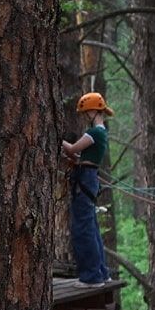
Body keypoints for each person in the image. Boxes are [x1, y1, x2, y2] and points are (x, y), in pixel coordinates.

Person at [59, 92, 112, 286]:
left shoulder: (94, 133)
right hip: (88, 177)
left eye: (84, 113)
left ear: (92, 111)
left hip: (85, 179)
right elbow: (81, 157)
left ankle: (91, 276)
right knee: (91, 227)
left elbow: (72, 149)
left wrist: (56, 138)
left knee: (82, 228)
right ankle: (101, 272)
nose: (83, 117)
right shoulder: (101, 132)